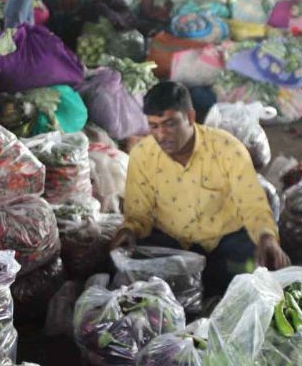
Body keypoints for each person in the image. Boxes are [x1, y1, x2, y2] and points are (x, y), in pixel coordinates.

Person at [111, 82, 290, 297]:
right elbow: (138, 212)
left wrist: (266, 238)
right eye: (154, 126)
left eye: (170, 124)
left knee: (255, 272)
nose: (162, 135)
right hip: (173, 241)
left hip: (225, 240)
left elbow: (252, 203)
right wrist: (129, 230)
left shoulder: (227, 148)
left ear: (190, 116)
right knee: (136, 270)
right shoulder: (142, 154)